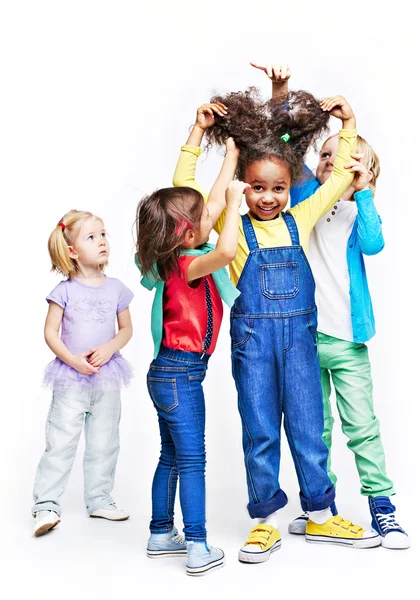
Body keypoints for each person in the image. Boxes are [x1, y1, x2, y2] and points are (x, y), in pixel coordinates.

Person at [174, 88, 380, 562]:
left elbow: (335, 181)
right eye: (257, 187)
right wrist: (199, 133)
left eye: (278, 187)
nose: (268, 197)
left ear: (292, 186)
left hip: (300, 342)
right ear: (241, 187)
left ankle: (321, 516)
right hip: (253, 341)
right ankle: (265, 521)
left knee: (309, 425)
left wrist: (349, 125)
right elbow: (185, 195)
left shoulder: (302, 216)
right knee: (261, 427)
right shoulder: (229, 223)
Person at [254, 60, 410, 550]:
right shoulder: (302, 198)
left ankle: (382, 508)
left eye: (339, 157)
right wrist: (280, 92)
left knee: (362, 428)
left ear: (362, 171)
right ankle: (324, 509)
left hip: (346, 338)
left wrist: (352, 137)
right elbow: (281, 148)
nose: (328, 160)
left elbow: (374, 244)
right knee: (312, 429)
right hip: (301, 337)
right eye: (324, 154)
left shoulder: (355, 210)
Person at [136, 103, 250, 576]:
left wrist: (230, 159)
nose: (214, 212)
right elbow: (226, 247)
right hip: (181, 376)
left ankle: (161, 532)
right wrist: (238, 209)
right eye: (203, 216)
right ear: (189, 231)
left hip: (165, 373)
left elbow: (215, 202)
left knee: (170, 454)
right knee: (194, 460)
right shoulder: (190, 262)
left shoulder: (169, 257)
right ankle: (198, 545)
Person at [32, 210, 133, 537]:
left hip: (106, 377)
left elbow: (126, 330)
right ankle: (46, 504)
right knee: (60, 440)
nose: (102, 241)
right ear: (72, 250)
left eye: (103, 234)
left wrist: (110, 348)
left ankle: (99, 498)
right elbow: (50, 333)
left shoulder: (116, 288)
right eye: (92, 237)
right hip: (72, 379)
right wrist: (73, 361)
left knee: (105, 440)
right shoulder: (63, 291)